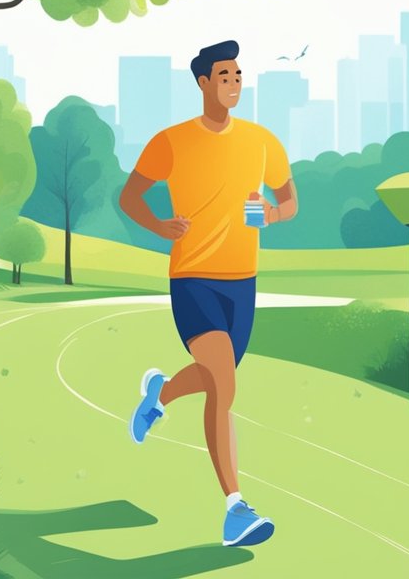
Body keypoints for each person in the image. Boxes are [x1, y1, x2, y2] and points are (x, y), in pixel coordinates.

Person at [118, 39, 297, 548]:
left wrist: (273, 214)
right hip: (193, 279)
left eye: (238, 75)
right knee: (224, 386)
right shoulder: (171, 142)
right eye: (225, 75)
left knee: (217, 379)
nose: (235, 83)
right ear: (203, 83)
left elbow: (290, 201)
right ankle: (235, 509)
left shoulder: (262, 142)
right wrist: (159, 225)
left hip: (243, 283)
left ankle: (158, 393)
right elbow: (130, 196)